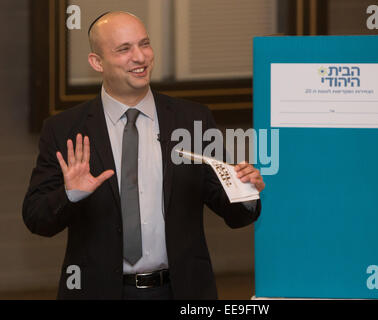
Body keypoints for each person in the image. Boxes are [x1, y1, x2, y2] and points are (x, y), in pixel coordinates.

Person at [22, 11, 264, 300]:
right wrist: (70, 194)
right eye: (124, 49)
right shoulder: (64, 130)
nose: (140, 57)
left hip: (180, 291)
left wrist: (245, 191)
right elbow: (36, 218)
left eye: (144, 44)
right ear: (97, 62)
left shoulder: (192, 120)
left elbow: (233, 213)